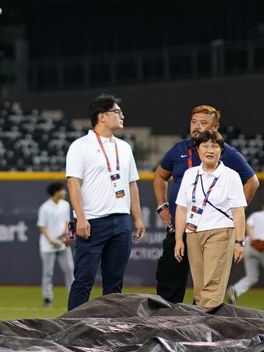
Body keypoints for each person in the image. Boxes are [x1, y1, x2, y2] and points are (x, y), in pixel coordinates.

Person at [153, 105, 258, 303]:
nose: (197, 127)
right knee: (172, 279)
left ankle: (205, 323)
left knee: (210, 283)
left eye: (203, 123)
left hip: (214, 227)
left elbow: (252, 182)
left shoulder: (226, 153)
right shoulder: (179, 151)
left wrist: (234, 212)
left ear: (215, 127)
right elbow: (160, 176)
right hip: (184, 227)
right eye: (194, 122)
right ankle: (167, 324)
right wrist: (162, 206)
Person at [65, 93, 145, 311]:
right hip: (92, 221)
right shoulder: (80, 146)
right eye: (117, 112)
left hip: (121, 221)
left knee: (115, 284)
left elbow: (132, 185)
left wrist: (137, 218)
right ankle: (71, 330)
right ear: (102, 116)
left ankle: (111, 332)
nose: (122, 115)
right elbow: (73, 183)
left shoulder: (125, 147)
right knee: (84, 279)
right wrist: (80, 217)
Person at [173, 130, 246, 308]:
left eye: (214, 146)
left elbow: (238, 211)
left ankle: (210, 332)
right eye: (205, 145)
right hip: (193, 233)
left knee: (212, 287)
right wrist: (178, 240)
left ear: (221, 150)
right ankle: (202, 330)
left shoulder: (230, 176)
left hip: (220, 232)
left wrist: (239, 241)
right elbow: (182, 209)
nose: (209, 149)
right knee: (199, 289)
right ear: (198, 150)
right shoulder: (190, 174)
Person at [37, 182, 74, 307]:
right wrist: (51, 241)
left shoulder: (65, 205)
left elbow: (67, 222)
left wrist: (68, 235)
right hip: (48, 247)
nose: (65, 192)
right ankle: (47, 298)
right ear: (56, 192)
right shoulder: (45, 207)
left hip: (62, 245)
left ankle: (73, 296)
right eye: (62, 190)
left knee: (70, 270)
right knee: (48, 273)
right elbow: (42, 227)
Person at [227, 204, 264, 304]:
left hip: (250, 246)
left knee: (252, 276)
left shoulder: (256, 215)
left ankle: (235, 289)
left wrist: (253, 239)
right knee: (252, 276)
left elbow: (248, 225)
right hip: (261, 246)